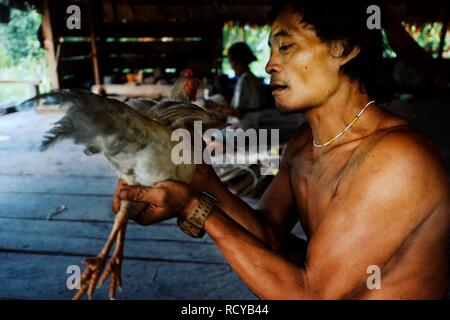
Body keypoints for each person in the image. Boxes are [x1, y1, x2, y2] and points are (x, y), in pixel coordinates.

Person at [113, 1, 449, 299]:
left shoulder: (399, 159)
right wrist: (195, 177)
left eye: (286, 47)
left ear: (344, 48)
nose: (270, 65)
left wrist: (193, 207)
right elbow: (267, 234)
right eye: (271, 50)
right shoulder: (305, 142)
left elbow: (309, 294)